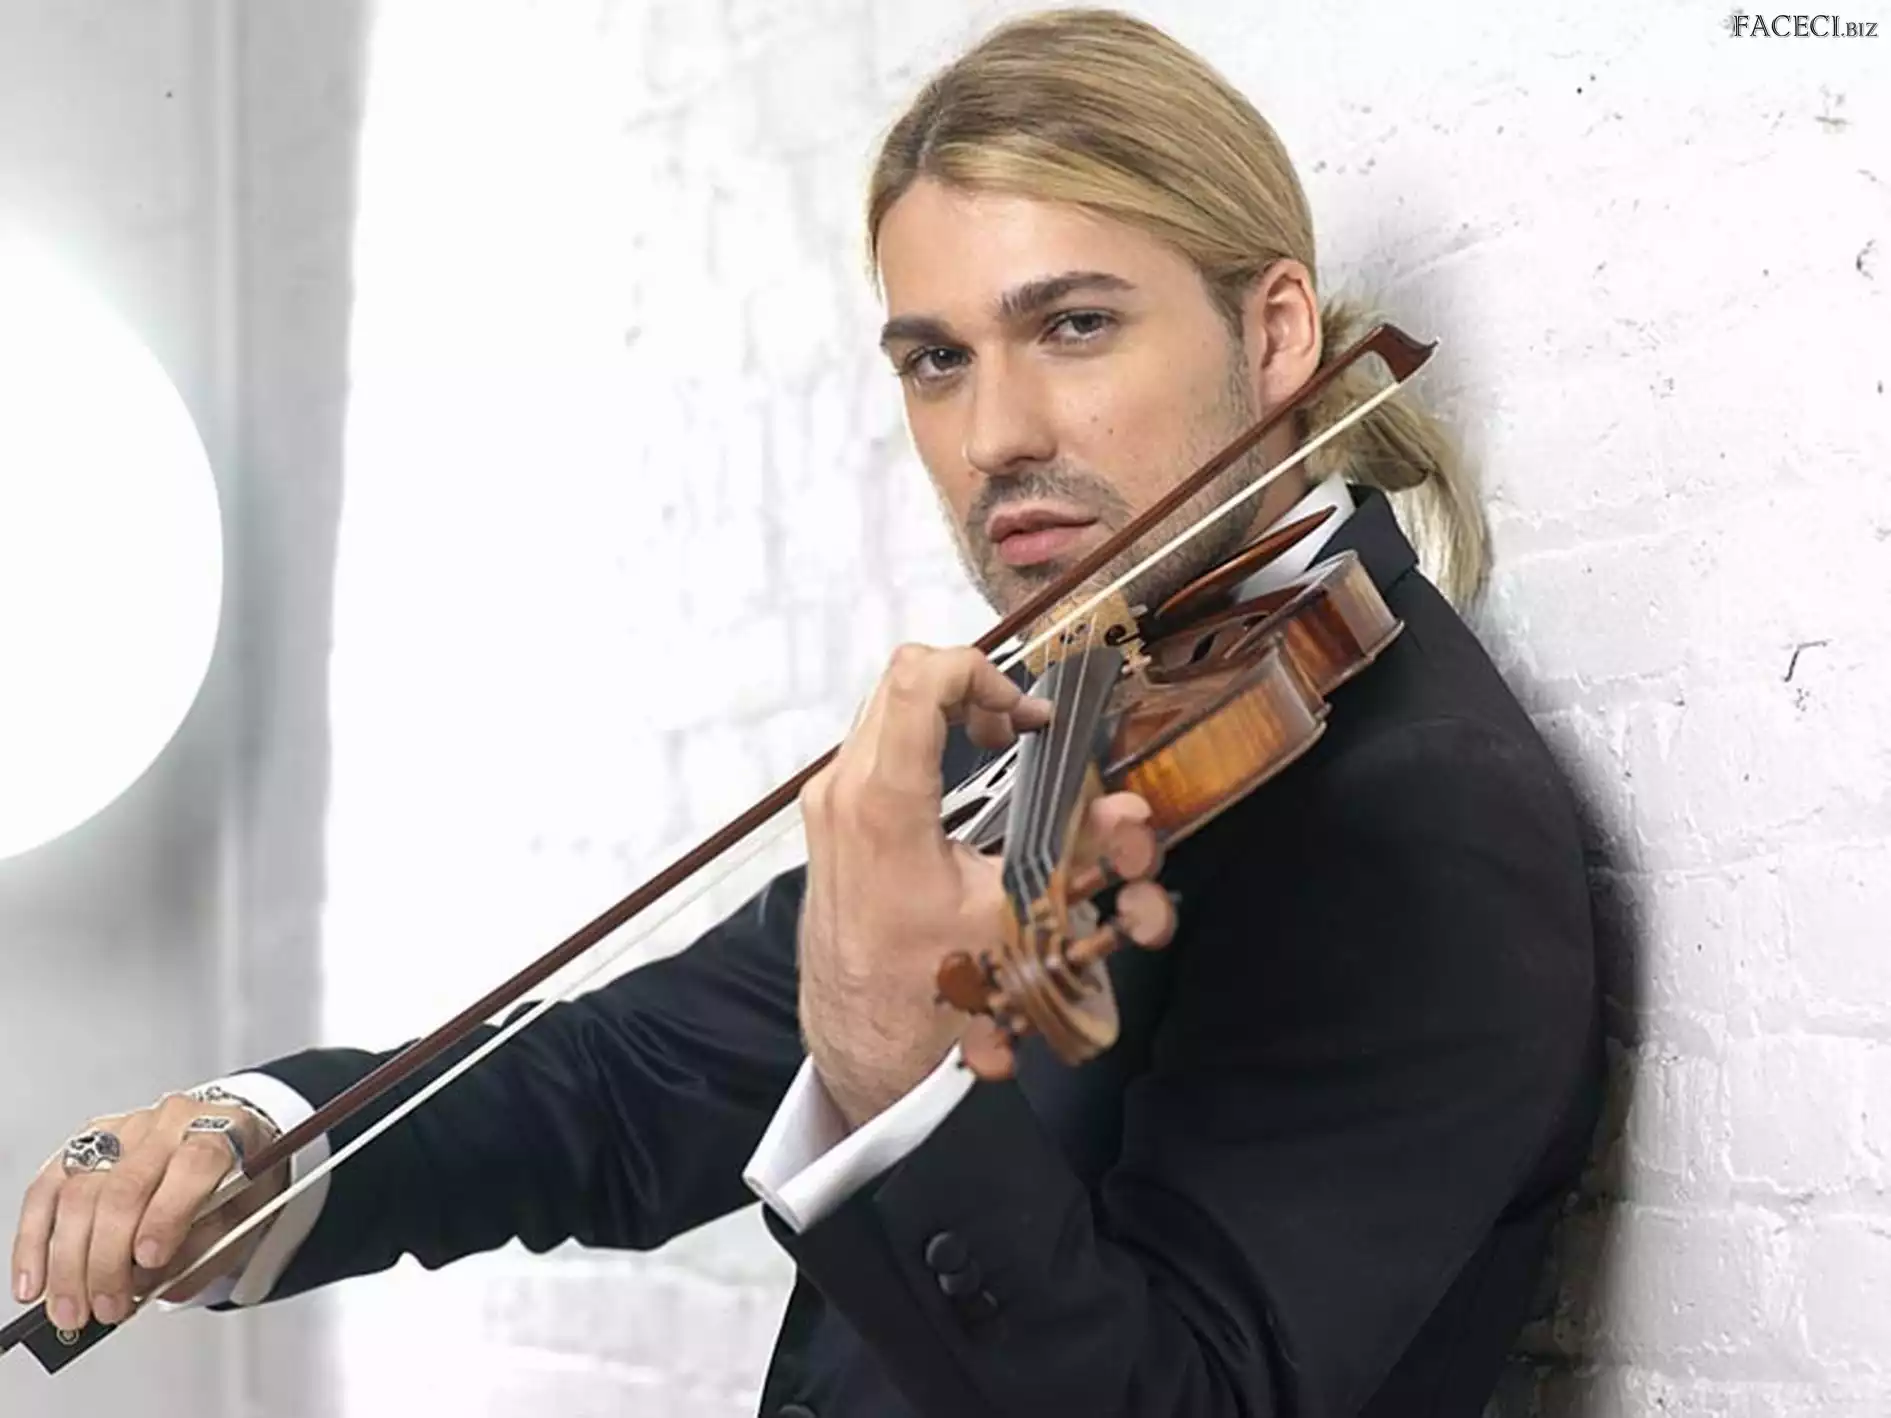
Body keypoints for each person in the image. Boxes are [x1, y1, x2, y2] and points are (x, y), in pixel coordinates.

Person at [10, 9, 1604, 1415]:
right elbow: (633, 1084)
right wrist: (256, 1139)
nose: (993, 434)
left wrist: (899, 1075)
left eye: (1072, 324)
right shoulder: (1073, 700)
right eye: (935, 358)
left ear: (1273, 334)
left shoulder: (1415, 814)